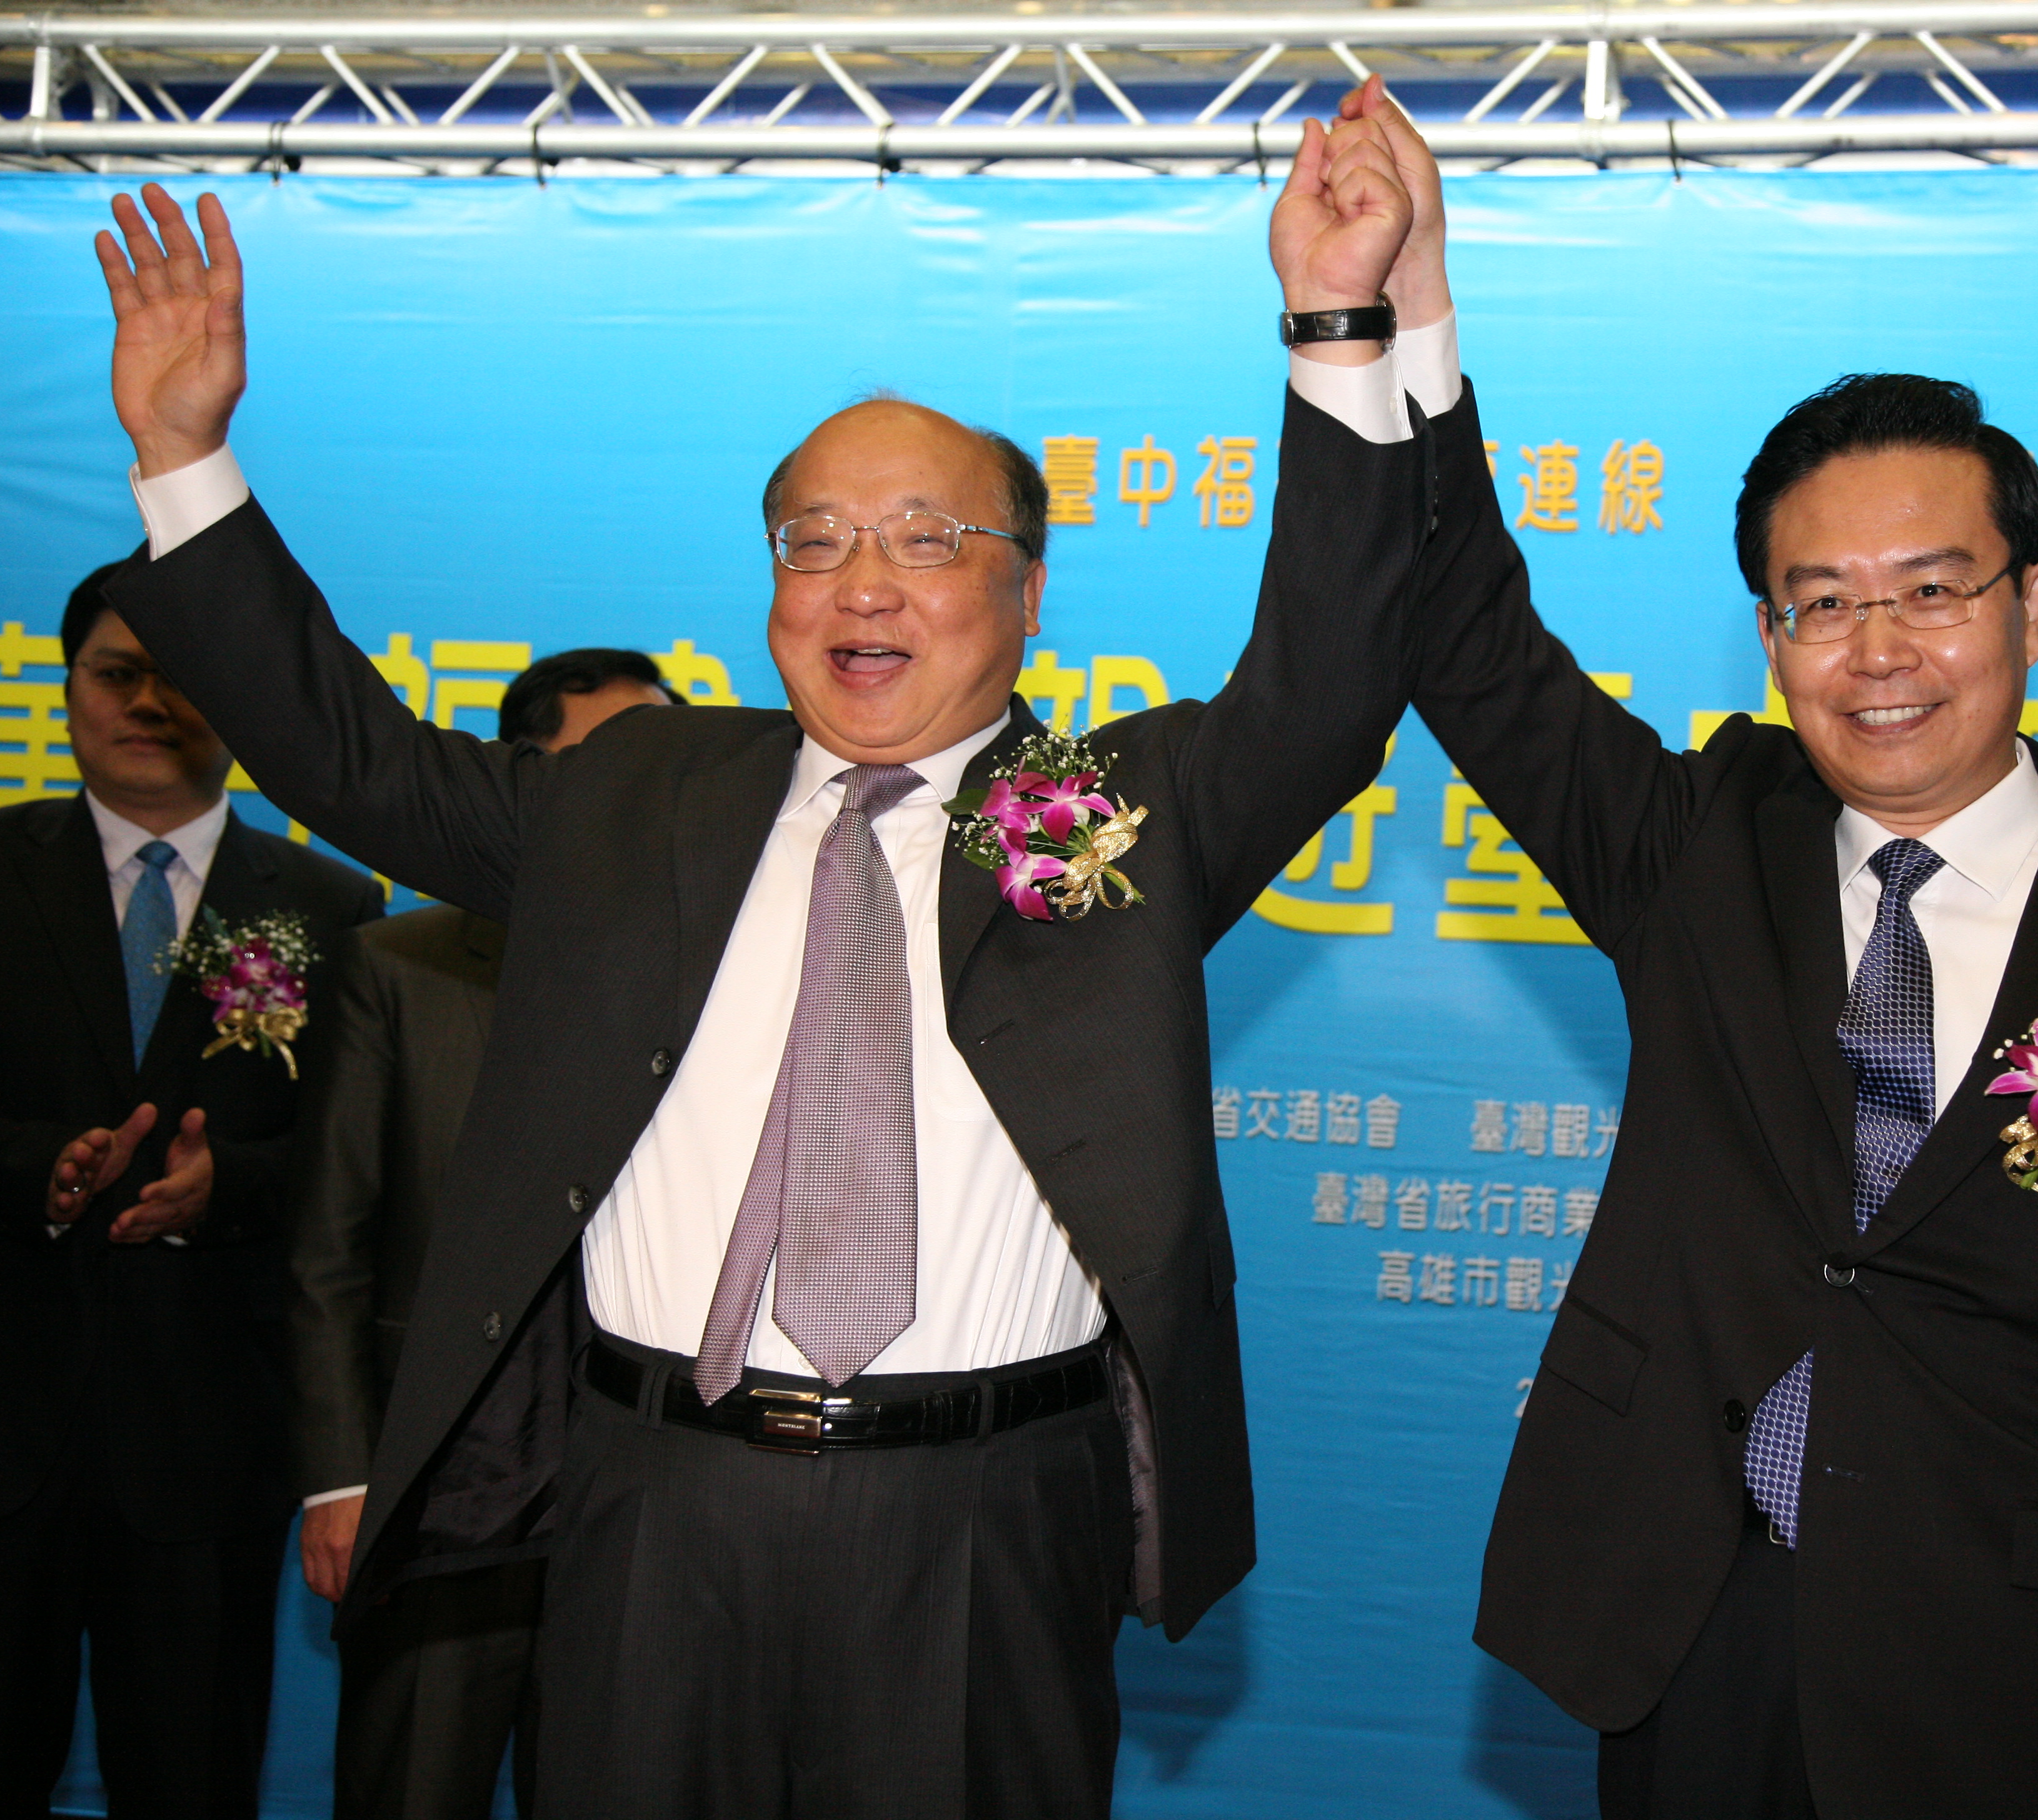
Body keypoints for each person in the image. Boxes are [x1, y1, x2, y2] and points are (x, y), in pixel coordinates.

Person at [88, 80, 1440, 1818]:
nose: (862, 582)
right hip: (654, 1509)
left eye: (928, 540)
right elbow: (351, 755)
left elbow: (1331, 683)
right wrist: (184, 458)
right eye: (815, 542)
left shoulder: (1119, 810)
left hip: (983, 1522)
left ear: (1031, 594)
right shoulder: (639, 794)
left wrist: (1336, 328)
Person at [1328, 99, 2038, 1818]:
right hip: (1686, 1631)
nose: (1876, 650)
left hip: (2010, 1674)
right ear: (1770, 633)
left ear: (2033, 605)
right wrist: (1400, 308)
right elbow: (1469, 639)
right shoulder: (1699, 848)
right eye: (1820, 601)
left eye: (1932, 590)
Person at [0, 564, 381, 1819]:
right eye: (117, 673)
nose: (148, 703)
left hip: (209, 1437)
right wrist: (38, 1171)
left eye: (185, 677)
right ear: (67, 687)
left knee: (192, 1779)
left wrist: (229, 1186)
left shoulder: (333, 905)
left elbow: (356, 1160)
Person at [289, 648, 679, 1820]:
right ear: (522, 780)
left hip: (643, 1497)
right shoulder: (399, 966)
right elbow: (330, 1245)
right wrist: (343, 1477)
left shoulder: (715, 968)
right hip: (442, 1486)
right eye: (611, 763)